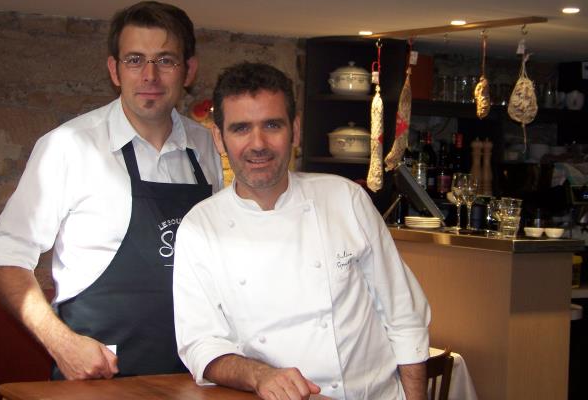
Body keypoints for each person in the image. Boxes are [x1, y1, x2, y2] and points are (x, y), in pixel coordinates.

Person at [0, 1, 222, 380]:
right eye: (134, 60)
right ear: (114, 69)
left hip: (191, 377)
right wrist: (62, 344)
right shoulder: (68, 146)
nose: (150, 76)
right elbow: (6, 258)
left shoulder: (203, 146)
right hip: (98, 378)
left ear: (189, 70)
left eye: (165, 60)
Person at [173, 62, 430, 400]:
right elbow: (200, 344)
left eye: (272, 125)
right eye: (241, 129)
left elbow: (403, 314)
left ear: (294, 130)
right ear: (219, 139)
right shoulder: (199, 227)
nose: (258, 143)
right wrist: (259, 375)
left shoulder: (345, 200)